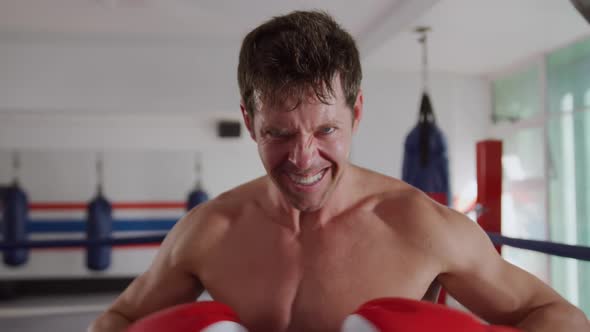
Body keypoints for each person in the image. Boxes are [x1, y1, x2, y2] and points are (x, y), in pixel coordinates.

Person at [89, 10, 589, 332]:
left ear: (357, 112)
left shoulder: (420, 227)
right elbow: (119, 319)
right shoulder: (208, 232)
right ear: (249, 120)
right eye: (279, 133)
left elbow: (559, 317)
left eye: (326, 131)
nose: (304, 158)